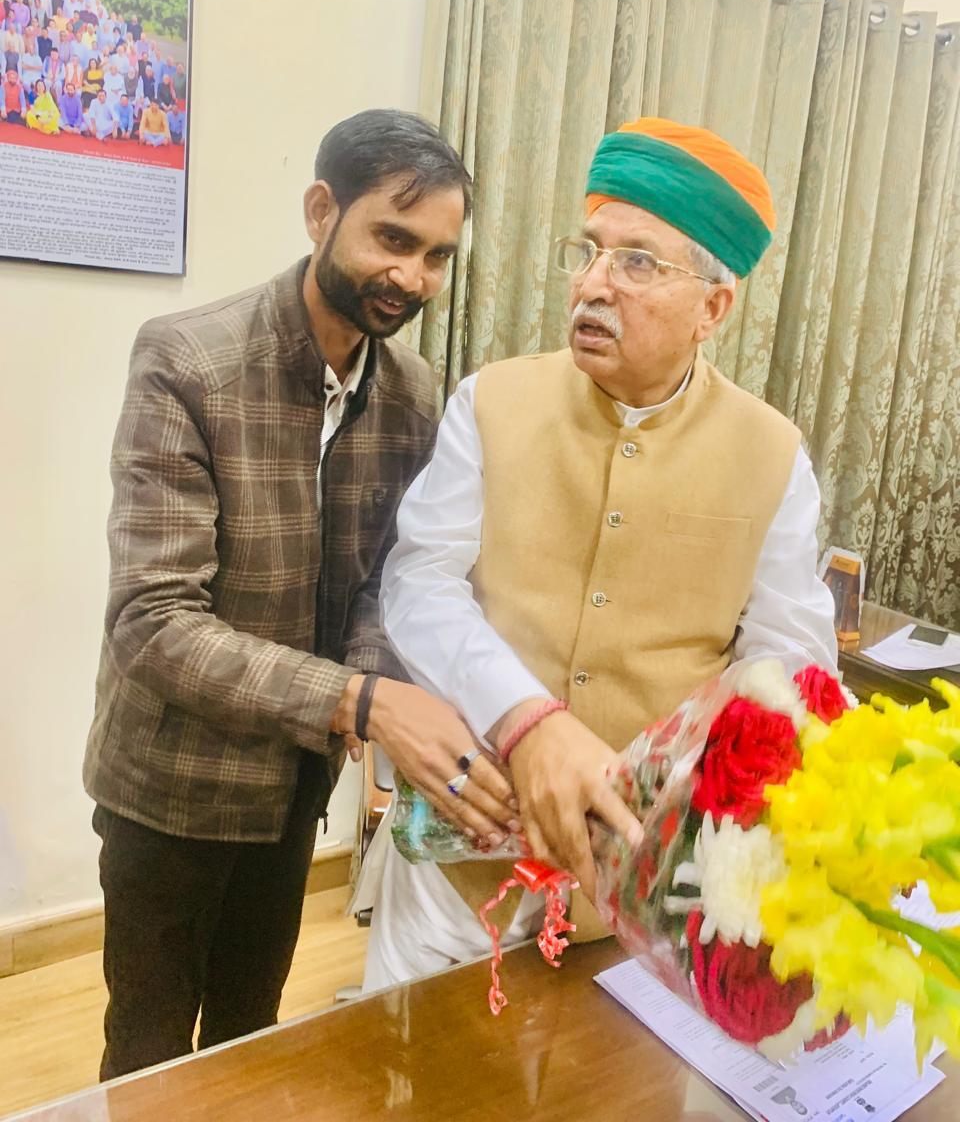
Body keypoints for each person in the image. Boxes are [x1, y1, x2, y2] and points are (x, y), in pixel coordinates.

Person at [83, 109, 516, 1080]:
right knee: (148, 1061)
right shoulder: (188, 359)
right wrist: (361, 701)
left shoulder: (414, 392)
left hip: (291, 790)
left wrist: (364, 685)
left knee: (251, 1042)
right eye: (392, 238)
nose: (413, 277)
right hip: (170, 790)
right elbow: (153, 621)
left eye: (437, 256)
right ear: (322, 210)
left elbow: (384, 576)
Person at [363, 116, 839, 991]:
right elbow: (419, 582)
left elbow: (790, 666)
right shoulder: (492, 402)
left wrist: (687, 801)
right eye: (588, 252)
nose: (590, 284)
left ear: (713, 308)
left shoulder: (772, 454)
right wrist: (525, 720)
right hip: (457, 874)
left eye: (637, 263)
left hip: (642, 895)